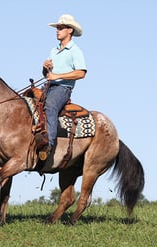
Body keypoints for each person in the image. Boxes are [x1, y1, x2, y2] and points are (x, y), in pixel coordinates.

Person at [39, 14, 87, 160]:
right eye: (57, 28)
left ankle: (49, 145)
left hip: (62, 88)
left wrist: (57, 76)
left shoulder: (75, 51)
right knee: (27, 103)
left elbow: (81, 73)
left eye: (60, 28)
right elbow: (48, 75)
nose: (57, 30)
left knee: (51, 106)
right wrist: (45, 68)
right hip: (49, 85)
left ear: (70, 30)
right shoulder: (54, 51)